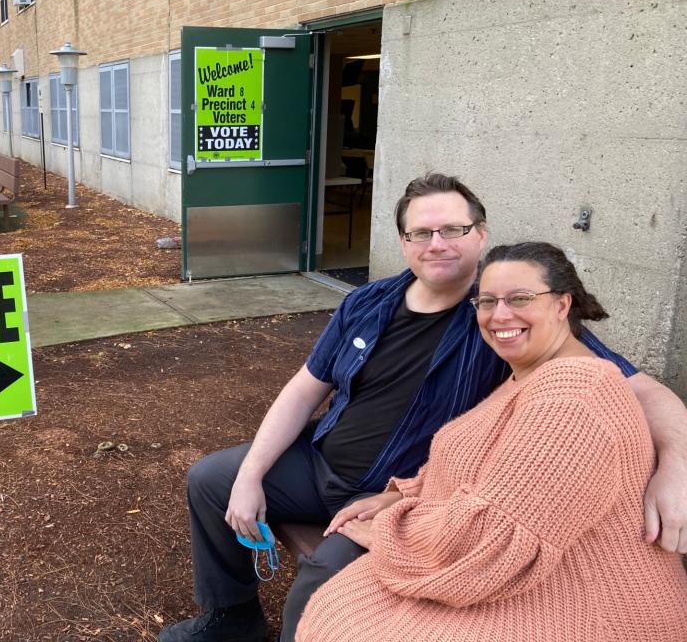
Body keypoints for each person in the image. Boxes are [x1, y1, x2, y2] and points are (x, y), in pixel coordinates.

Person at [158, 174, 687, 642]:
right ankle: (232, 616)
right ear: (405, 241)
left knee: (326, 577)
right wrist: (252, 474)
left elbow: (639, 390)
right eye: (421, 233)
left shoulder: (505, 317)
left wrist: (678, 465)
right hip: (322, 462)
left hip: (399, 492)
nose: (437, 244)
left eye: (453, 230)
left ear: (480, 233)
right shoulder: (366, 301)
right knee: (212, 479)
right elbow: (304, 389)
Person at [296, 242, 687, 641]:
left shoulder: (574, 395)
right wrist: (401, 495)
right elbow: (481, 463)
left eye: (520, 298)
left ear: (562, 305)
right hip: (517, 574)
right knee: (337, 604)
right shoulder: (525, 375)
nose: (500, 315)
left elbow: (493, 545)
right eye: (486, 301)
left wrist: (388, 530)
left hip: (584, 602)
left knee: (348, 620)